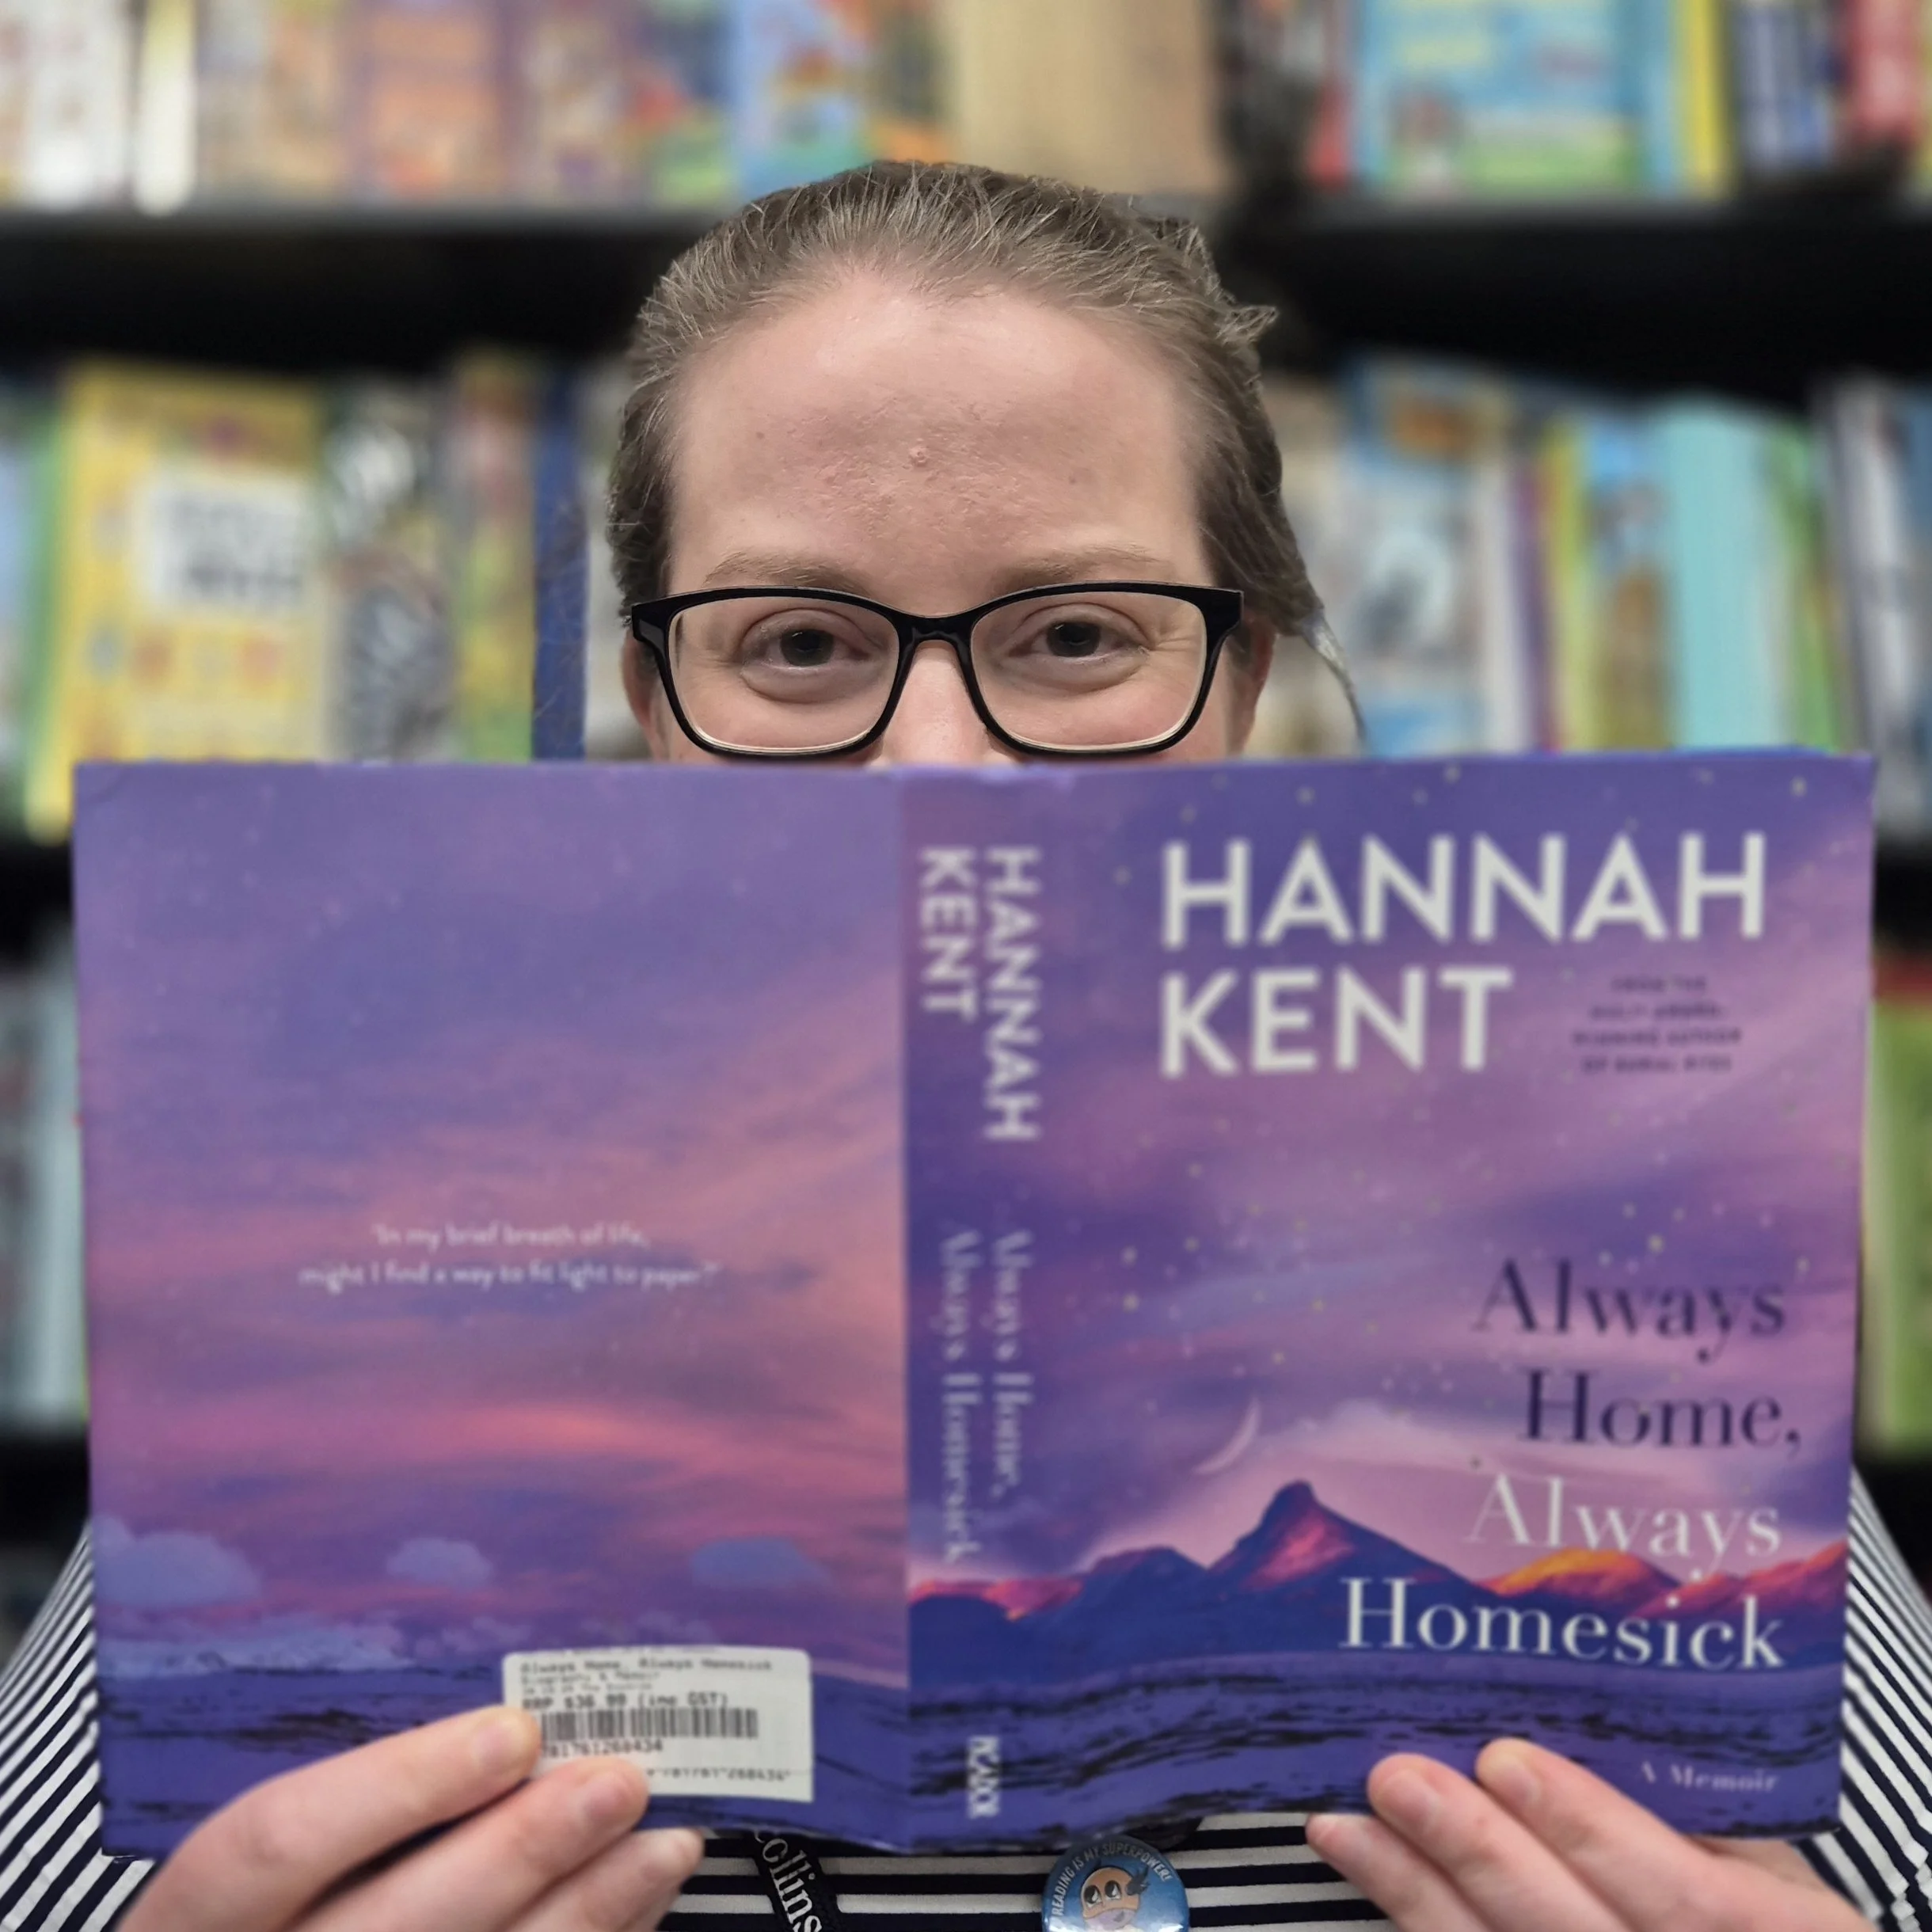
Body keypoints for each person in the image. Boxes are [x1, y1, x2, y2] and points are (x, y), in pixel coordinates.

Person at [5, 162, 1930, 1932]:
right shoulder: (320, 1446)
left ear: (1237, 682)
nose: (936, 763)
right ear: (656, 707)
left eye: (1075, 636)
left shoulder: (1641, 1450)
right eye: (797, 644)